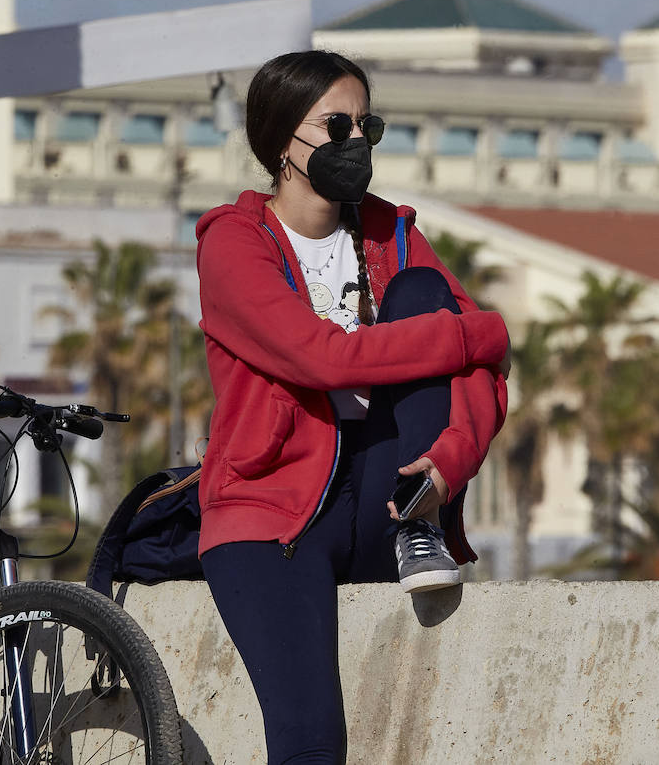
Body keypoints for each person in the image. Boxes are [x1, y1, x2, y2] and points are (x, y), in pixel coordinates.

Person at [194, 50, 509, 762]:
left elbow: (485, 377)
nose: (356, 145)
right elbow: (321, 359)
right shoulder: (234, 244)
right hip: (270, 512)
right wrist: (485, 332)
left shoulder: (390, 232)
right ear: (282, 140)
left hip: (386, 500)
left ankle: (417, 525)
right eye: (337, 126)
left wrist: (447, 466)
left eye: (369, 126)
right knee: (312, 740)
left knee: (424, 300)